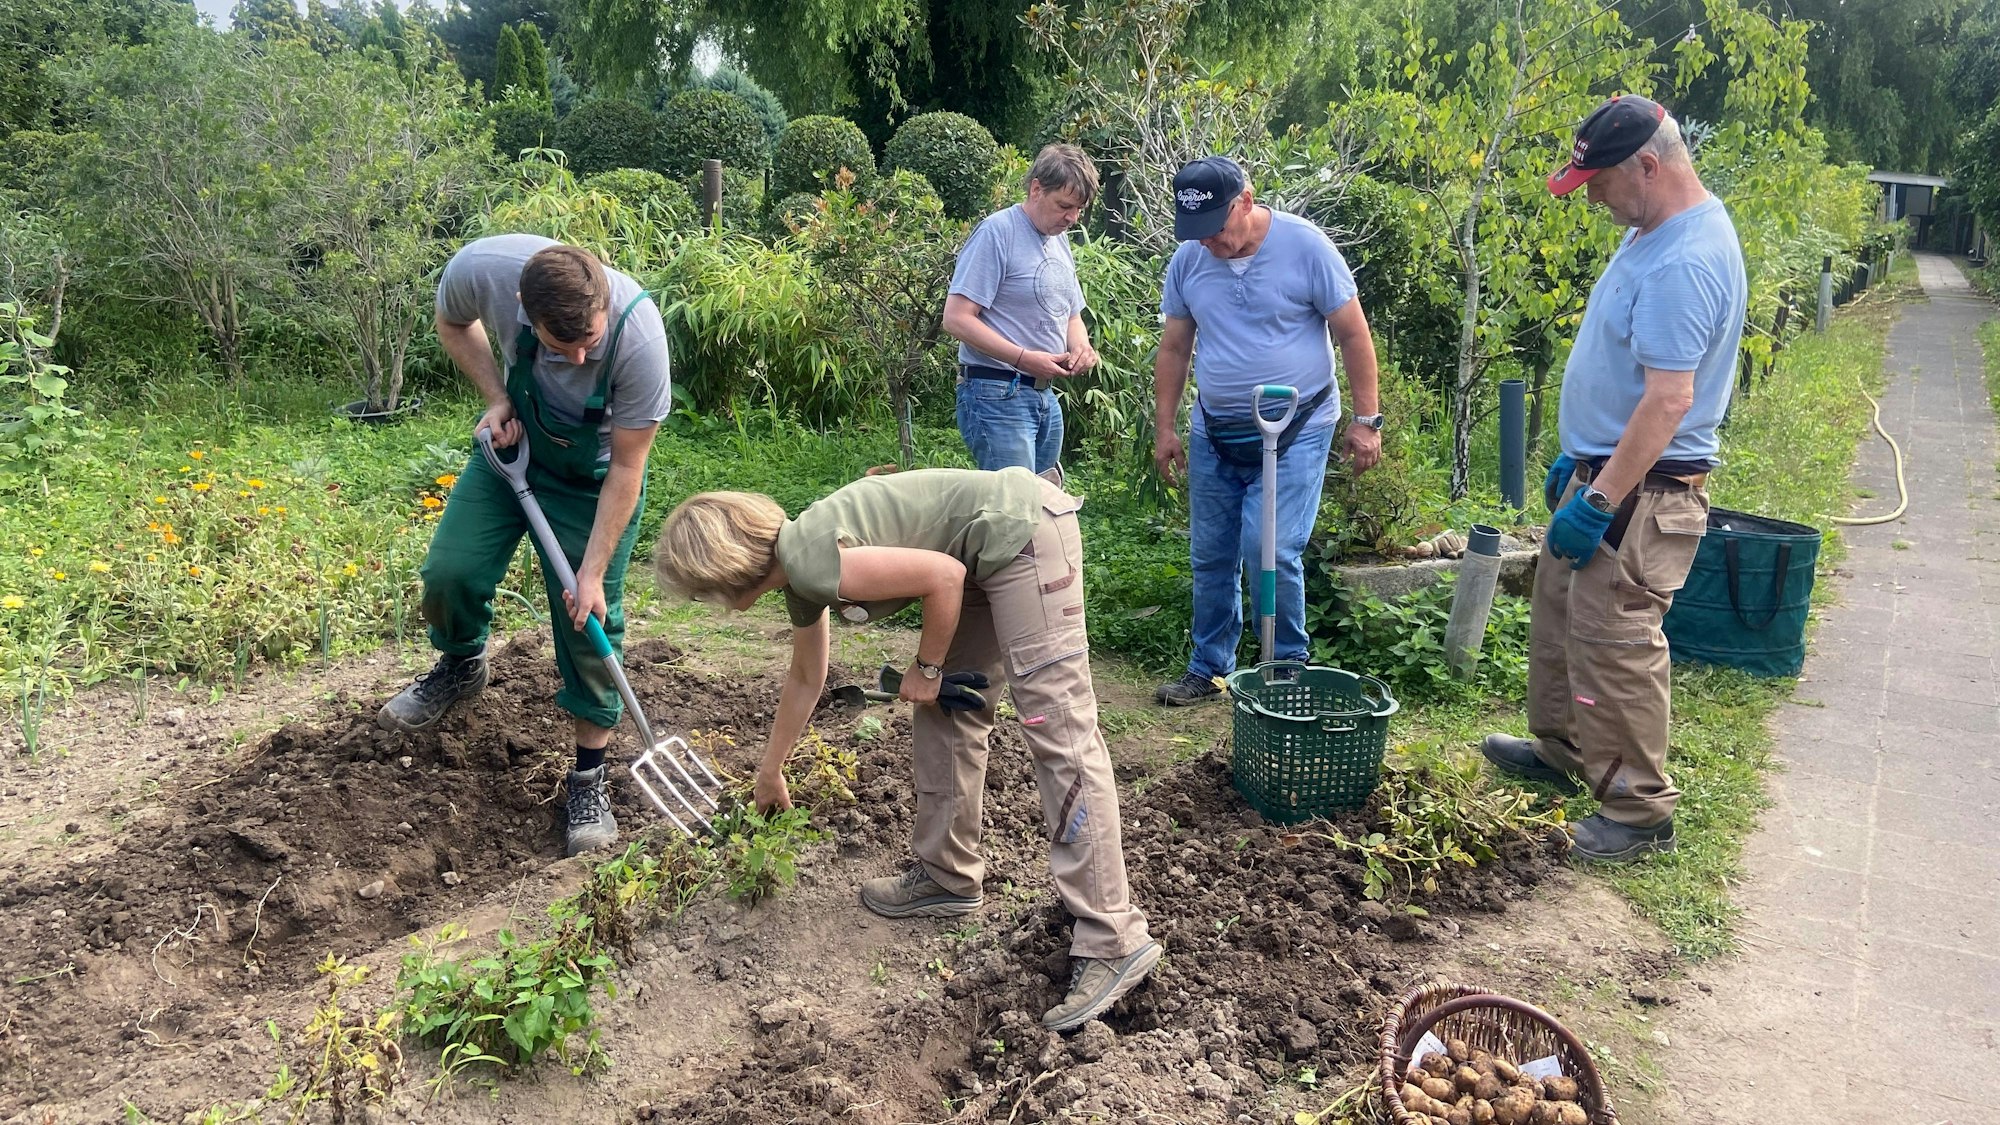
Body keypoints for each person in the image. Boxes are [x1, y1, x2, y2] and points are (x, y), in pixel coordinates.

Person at [653, 467, 1161, 1032]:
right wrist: (771, 771)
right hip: (983, 557)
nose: (715, 605)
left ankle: (1112, 935)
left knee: (1056, 727)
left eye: (704, 592)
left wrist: (926, 666)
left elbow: (942, 576)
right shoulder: (799, 574)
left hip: (1022, 535)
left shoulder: (807, 557)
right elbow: (805, 675)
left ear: (722, 569)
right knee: (949, 708)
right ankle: (948, 874)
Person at [1482, 95, 1746, 863]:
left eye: (1599, 181)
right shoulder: (1652, 228)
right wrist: (1582, 459)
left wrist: (1599, 497)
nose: (1591, 195)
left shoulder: (1686, 259)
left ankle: (1637, 810)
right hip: (1605, 471)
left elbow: (1671, 398)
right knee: (1563, 620)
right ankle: (1566, 749)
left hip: (1641, 490)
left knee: (1615, 639)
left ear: (1649, 166)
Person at [377, 234, 671, 859]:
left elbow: (628, 467)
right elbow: (452, 323)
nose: (585, 351)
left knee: (589, 625)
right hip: (513, 453)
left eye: (592, 336)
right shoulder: (481, 270)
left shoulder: (638, 336)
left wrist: (589, 574)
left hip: (593, 482)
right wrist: (496, 396)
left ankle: (588, 779)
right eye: (568, 345)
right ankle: (461, 664)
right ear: (524, 311)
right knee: (450, 572)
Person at [1150, 156, 1383, 706]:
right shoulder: (1189, 261)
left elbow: (1352, 334)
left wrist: (1366, 420)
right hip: (1216, 429)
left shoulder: (1306, 247)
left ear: (1246, 201)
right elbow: (1176, 348)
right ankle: (1209, 668)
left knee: (1270, 547)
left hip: (1298, 424)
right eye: (1197, 233)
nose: (1208, 242)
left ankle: (1285, 668)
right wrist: (1165, 427)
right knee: (1210, 552)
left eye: (1217, 228)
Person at [942, 144, 1101, 473]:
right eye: (1064, 206)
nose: (1072, 218)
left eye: (1078, 210)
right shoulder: (997, 232)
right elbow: (956, 319)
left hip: (1043, 396)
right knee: (1015, 515)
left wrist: (1081, 347)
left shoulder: (1059, 239)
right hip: (996, 392)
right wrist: (1023, 358)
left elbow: (1072, 314)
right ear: (1036, 189)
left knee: (1044, 509)